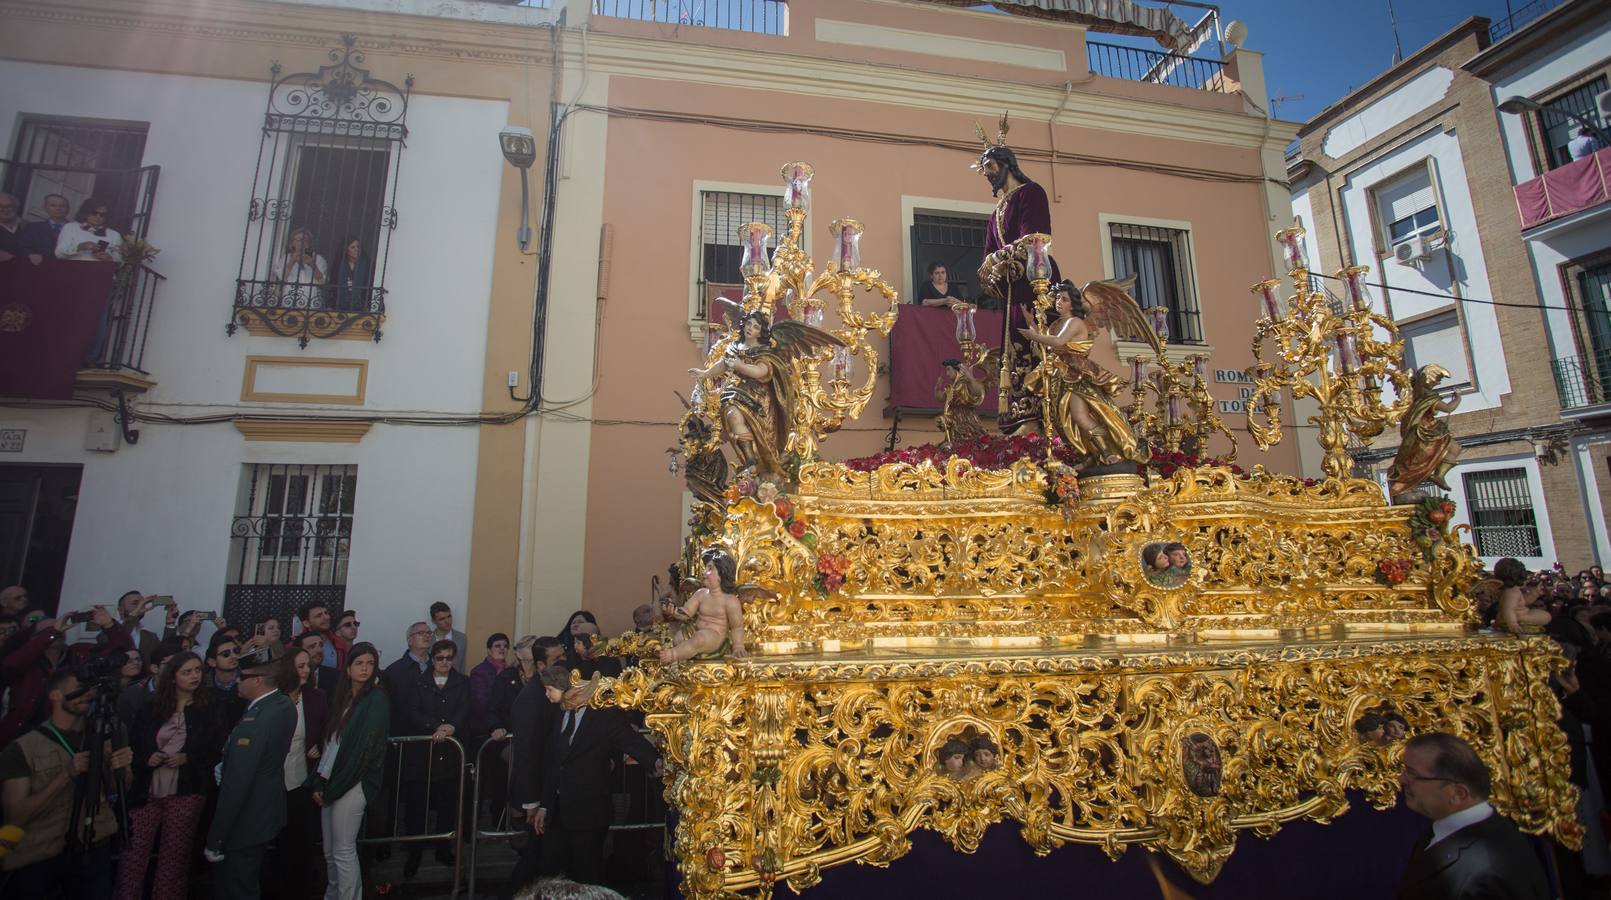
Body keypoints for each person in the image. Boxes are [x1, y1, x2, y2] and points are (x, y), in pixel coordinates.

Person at [0, 668, 134, 899]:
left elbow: (120, 789)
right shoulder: (23, 748)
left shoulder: (104, 735)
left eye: (88, 689)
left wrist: (120, 767)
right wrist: (66, 775)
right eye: (77, 689)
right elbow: (16, 815)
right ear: (55, 695)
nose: (85, 695)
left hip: (94, 847)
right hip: (42, 855)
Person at [530, 665, 660, 885]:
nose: (546, 695)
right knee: (555, 873)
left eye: (550, 689)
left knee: (586, 872)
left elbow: (630, 741)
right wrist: (545, 805)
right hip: (558, 812)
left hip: (589, 811)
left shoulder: (603, 716)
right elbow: (554, 763)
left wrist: (655, 762)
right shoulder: (556, 712)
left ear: (567, 689)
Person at [117, 651, 226, 900]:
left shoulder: (210, 707)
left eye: (198, 670)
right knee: (133, 856)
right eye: (187, 672)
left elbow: (217, 746)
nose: (194, 676)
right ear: (173, 676)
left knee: (174, 858)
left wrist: (188, 757)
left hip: (186, 789)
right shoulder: (151, 708)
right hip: (147, 789)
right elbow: (134, 742)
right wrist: (149, 757)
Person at [974, 126, 1058, 434]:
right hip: (1012, 287)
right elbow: (987, 256)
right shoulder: (994, 212)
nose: (987, 174)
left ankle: (1041, 413)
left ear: (1005, 163)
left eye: (990, 167)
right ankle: (1022, 416)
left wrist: (998, 260)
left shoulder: (1031, 193)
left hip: (1036, 277)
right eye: (984, 170)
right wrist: (990, 270)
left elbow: (1034, 236)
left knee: (1036, 340)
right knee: (1014, 348)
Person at [1396, 732, 1549, 899]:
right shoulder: (1443, 832)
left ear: (1458, 794)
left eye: (1413, 774)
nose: (1401, 779)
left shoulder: (1484, 874)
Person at [1017, 281, 1146, 466]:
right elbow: (1048, 343)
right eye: (1058, 299)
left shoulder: (1075, 322)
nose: (1059, 302)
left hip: (1077, 374)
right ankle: (1090, 456)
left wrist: (1035, 336)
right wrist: (1031, 322)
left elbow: (1058, 341)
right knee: (1064, 421)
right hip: (1062, 375)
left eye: (1064, 299)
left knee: (1079, 416)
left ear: (1073, 303)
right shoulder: (1060, 323)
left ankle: (1108, 452)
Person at [205, 645, 297, 900]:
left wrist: (217, 838)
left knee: (234, 887)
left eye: (241, 677)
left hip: (246, 819)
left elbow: (237, 784)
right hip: (263, 813)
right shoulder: (281, 704)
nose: (236, 681)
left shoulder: (258, 720)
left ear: (257, 680)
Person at [312, 641, 390, 900]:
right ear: (347, 669)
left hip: (353, 783)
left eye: (370, 664)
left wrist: (334, 788)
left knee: (344, 850)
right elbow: (331, 744)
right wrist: (320, 782)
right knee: (330, 851)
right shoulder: (343, 698)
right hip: (331, 779)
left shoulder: (376, 699)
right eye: (359, 663)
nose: (365, 669)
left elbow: (364, 752)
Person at [263, 646, 327, 900]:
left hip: (301, 780)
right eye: (300, 666)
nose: (306, 670)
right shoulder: (272, 697)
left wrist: (319, 747)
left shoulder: (316, 697)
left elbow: (326, 729)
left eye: (307, 666)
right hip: (272, 780)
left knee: (300, 841)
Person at [404, 638, 470, 877]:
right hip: (423, 754)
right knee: (417, 806)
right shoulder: (418, 683)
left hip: (450, 753)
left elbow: (465, 708)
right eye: (440, 658)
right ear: (432, 659)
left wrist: (452, 727)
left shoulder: (462, 682)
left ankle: (444, 848)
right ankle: (414, 851)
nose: (444, 662)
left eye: (449, 658)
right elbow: (412, 710)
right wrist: (435, 727)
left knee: (447, 804)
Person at [661, 547, 748, 663]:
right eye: (705, 568)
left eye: (710, 568)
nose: (704, 572)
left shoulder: (730, 601)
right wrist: (674, 611)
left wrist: (738, 647)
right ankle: (682, 654)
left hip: (715, 637)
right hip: (696, 630)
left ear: (722, 574)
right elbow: (687, 612)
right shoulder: (701, 594)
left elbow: (737, 627)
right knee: (678, 638)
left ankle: (672, 655)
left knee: (699, 639)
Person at [117, 638, 183, 732]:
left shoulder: (185, 690)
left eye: (178, 665)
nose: (174, 669)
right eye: (169, 665)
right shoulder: (131, 695)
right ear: (154, 668)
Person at [935, 358, 987, 446]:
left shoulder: (964, 383)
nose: (947, 374)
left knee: (968, 444)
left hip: (966, 420)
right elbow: (942, 398)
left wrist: (970, 378)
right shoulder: (953, 386)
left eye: (949, 370)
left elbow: (977, 392)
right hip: (954, 420)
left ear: (956, 370)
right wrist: (937, 388)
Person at [1495, 558, 1551, 635]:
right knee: (1545, 616)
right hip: (1517, 617)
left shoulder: (1514, 591)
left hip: (1517, 616)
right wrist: (1513, 624)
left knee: (1542, 613)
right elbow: (1508, 609)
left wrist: (1536, 593)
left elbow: (1524, 601)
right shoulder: (1512, 592)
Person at [55, 198, 122, 262]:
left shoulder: (114, 235)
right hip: (73, 270)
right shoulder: (71, 227)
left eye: (102, 214)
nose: (98, 217)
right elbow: (59, 254)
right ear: (85, 212)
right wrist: (79, 247)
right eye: (94, 213)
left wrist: (109, 258)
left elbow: (119, 261)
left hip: (100, 271)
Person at [470, 632, 510, 737]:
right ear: (488, 650)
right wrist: (496, 724)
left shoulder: (511, 671)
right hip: (486, 728)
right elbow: (481, 704)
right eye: (497, 646)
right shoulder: (478, 672)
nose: (502, 649)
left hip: (507, 726)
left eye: (505, 646)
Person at [19, 193, 72, 264]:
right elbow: (22, 248)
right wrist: (30, 254)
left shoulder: (76, 229)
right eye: (53, 205)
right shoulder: (33, 228)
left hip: (67, 268)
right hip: (40, 268)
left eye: (62, 206)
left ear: (68, 209)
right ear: (45, 207)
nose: (58, 208)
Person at [278, 227, 327, 297]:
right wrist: (291, 262)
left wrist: (313, 265)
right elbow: (281, 279)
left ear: (309, 244)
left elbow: (322, 282)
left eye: (305, 240)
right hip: (288, 300)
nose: (302, 243)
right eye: (298, 240)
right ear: (292, 243)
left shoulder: (318, 259)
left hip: (311, 301)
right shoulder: (285, 258)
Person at [331, 236, 372, 312]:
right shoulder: (339, 264)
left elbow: (370, 285)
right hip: (339, 307)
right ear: (346, 250)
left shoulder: (367, 264)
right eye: (352, 247)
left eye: (358, 247)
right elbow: (333, 283)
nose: (356, 249)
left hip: (361, 307)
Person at [430, 602, 468, 674]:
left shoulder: (461, 638)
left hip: (455, 682)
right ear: (433, 621)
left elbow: (461, 665)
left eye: (449, 616)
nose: (447, 621)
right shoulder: (428, 639)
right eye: (441, 619)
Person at [0, 193, 22, 263]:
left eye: (9, 206)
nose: (5, 209)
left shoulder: (29, 227)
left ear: (16, 208)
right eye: (0, 206)